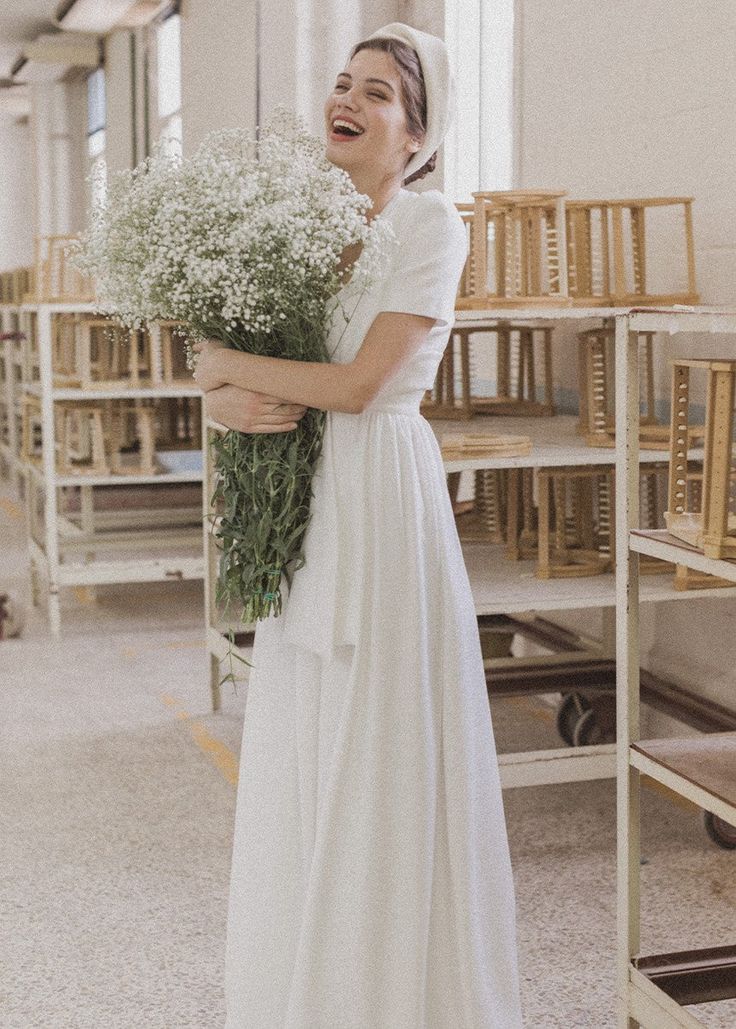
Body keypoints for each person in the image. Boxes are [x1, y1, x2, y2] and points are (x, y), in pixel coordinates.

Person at [194, 22, 524, 1029]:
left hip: (379, 497)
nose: (350, 97)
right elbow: (225, 363)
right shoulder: (297, 223)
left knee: (380, 738)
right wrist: (215, 397)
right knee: (304, 727)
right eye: (344, 82)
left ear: (416, 136)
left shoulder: (427, 225)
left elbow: (360, 382)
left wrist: (222, 369)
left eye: (378, 91)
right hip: (305, 505)